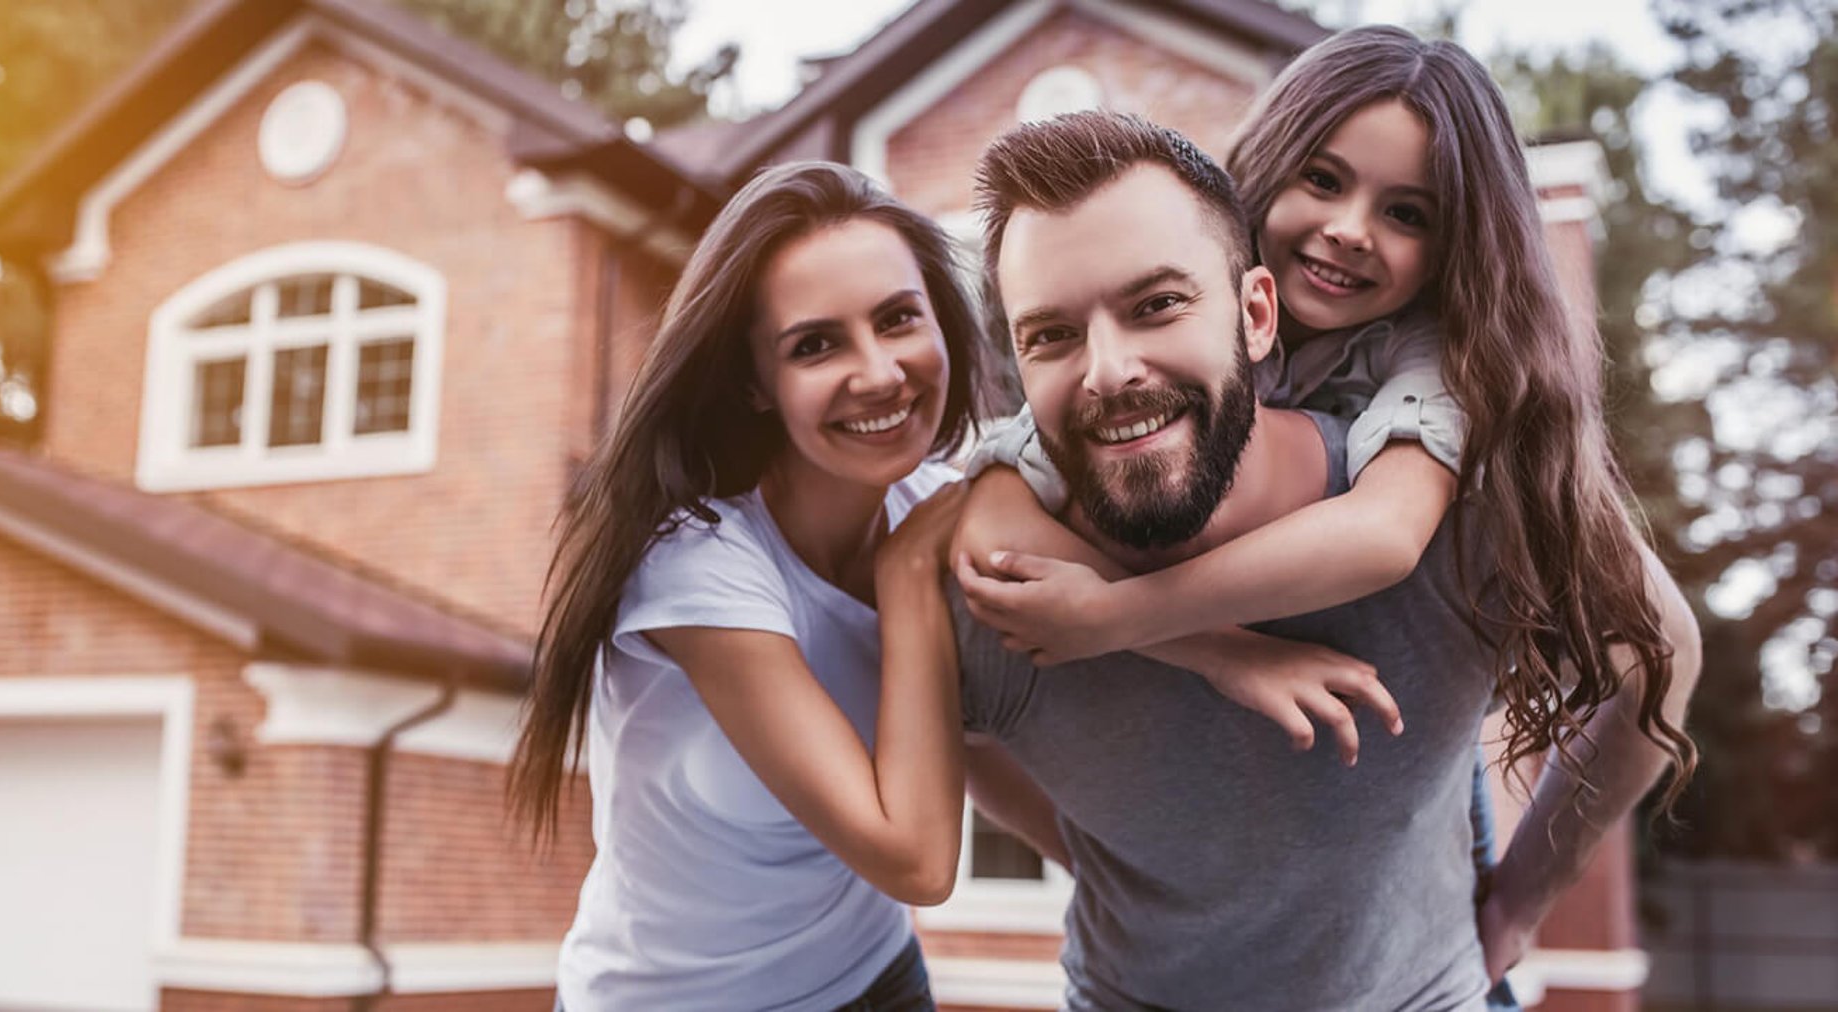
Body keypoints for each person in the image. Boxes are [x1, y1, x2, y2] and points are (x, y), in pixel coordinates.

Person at [957, 29, 1700, 1006]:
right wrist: (1123, 830)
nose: (1351, 229)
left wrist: (1520, 903)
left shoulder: (1452, 369)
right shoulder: (1146, 333)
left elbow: (1398, 538)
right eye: (1323, 178)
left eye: (1407, 212)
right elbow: (989, 517)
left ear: (1456, 246)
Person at [508, 161, 998, 1010]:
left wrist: (1228, 656)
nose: (879, 373)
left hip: (875, 982)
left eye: (897, 319)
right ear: (753, 383)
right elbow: (914, 858)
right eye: (816, 344)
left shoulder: (941, 504)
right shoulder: (695, 561)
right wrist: (910, 576)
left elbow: (997, 728)